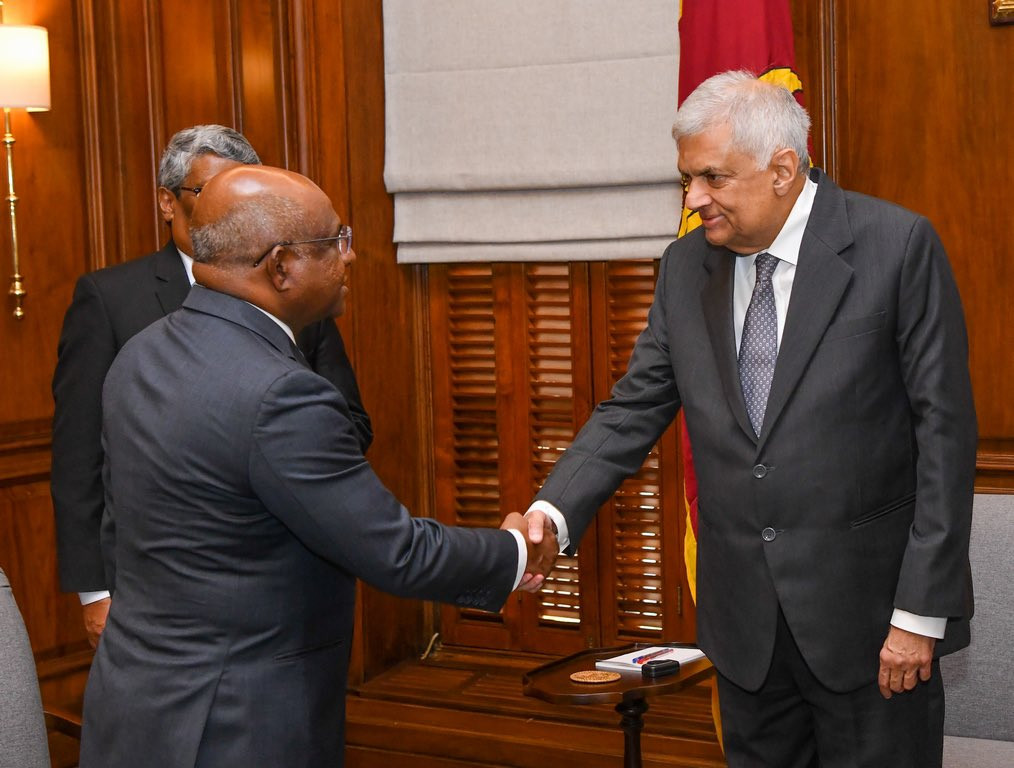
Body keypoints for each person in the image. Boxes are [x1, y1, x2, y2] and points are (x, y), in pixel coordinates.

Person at [523, 70, 976, 767]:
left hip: (871, 630)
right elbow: (635, 405)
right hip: (744, 635)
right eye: (686, 178)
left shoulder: (896, 247)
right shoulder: (685, 268)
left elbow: (944, 438)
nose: (693, 199)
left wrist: (919, 616)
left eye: (711, 178)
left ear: (783, 169)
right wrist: (551, 514)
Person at [78, 164, 557, 768]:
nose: (351, 257)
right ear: (280, 266)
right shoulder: (281, 395)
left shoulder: (138, 355)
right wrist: (515, 552)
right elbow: (395, 551)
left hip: (133, 707)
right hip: (236, 726)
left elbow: (123, 527)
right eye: (336, 242)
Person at [51, 125, 372, 648]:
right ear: (166, 202)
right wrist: (95, 591)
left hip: (280, 579)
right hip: (150, 588)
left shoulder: (292, 288)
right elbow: (79, 453)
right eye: (208, 193)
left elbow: (351, 422)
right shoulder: (110, 299)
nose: (226, 208)